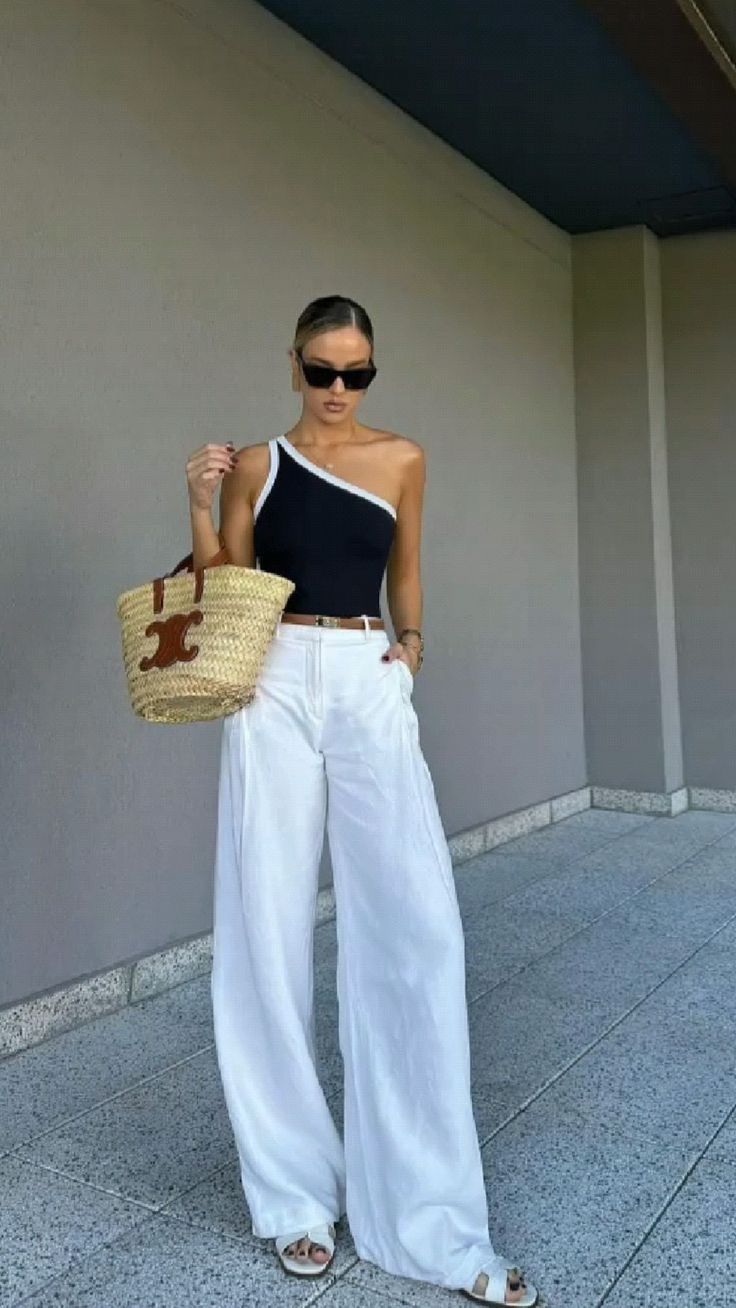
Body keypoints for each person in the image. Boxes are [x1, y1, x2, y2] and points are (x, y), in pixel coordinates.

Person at [185, 295, 538, 1306]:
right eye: (321, 371)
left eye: (357, 374)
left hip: (362, 670)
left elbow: (408, 572)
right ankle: (294, 1198)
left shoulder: (402, 460)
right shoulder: (259, 462)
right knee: (262, 927)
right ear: (291, 363)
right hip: (271, 682)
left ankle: (431, 1221)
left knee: (415, 929)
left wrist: (411, 652)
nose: (339, 391)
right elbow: (226, 582)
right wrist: (199, 503)